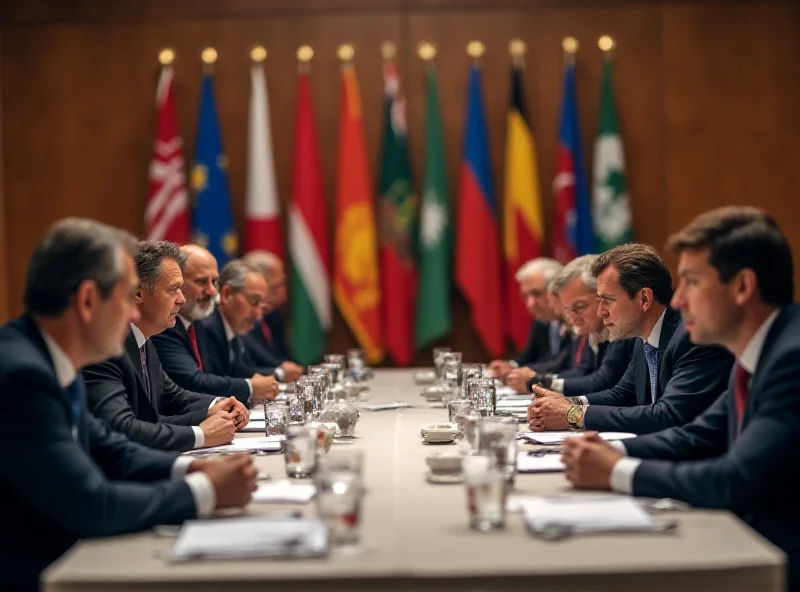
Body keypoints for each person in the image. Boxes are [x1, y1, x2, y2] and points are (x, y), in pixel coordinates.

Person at [0, 219, 256, 590]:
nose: (134, 314)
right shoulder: (23, 377)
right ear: (88, 301)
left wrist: (192, 470)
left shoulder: (45, 357)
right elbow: (92, 504)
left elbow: (110, 448)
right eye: (126, 297)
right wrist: (205, 492)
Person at [560, 207, 800, 588]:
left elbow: (735, 479)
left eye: (691, 282)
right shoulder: (755, 353)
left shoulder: (791, 359)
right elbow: (697, 434)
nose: (679, 301)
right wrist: (607, 453)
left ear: (742, 287)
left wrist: (618, 472)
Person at [528, 243, 733, 435]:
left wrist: (573, 415)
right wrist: (564, 404)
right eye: (598, 302)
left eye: (607, 301)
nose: (601, 312)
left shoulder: (690, 338)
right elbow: (623, 394)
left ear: (644, 298)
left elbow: (667, 415)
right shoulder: (643, 332)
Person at [83, 241, 248, 452]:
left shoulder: (144, 340)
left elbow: (174, 398)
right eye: (173, 289)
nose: (181, 299)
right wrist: (201, 435)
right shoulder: (104, 349)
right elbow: (122, 427)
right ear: (138, 294)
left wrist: (218, 405)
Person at [152, 245, 278, 402]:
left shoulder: (196, 323)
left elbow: (224, 373)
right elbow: (193, 382)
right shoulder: (164, 327)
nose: (212, 291)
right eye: (202, 281)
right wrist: (250, 387)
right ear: (178, 282)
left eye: (214, 282)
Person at [518, 255, 636, 396]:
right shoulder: (593, 330)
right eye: (567, 311)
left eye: (580, 306)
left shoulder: (623, 327)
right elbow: (583, 370)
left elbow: (604, 382)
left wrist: (541, 382)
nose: (572, 319)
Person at [198, 259, 281, 405]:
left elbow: (240, 371)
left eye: (262, 305)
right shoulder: (207, 327)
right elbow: (208, 385)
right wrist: (251, 386)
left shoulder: (232, 327)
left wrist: (261, 381)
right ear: (226, 294)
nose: (258, 314)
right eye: (254, 301)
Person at [489, 258, 570, 382]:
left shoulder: (575, 320)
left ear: (557, 291)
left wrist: (515, 372)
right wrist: (511, 365)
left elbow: (564, 362)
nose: (530, 303)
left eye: (537, 294)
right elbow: (530, 354)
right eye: (525, 296)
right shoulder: (540, 320)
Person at [241, 249, 303, 381]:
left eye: (283, 284)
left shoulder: (274, 316)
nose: (284, 293)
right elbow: (242, 369)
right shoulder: (241, 321)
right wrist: (280, 371)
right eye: (275, 287)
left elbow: (284, 358)